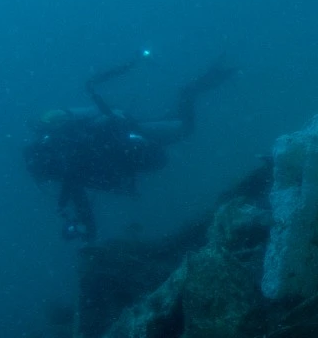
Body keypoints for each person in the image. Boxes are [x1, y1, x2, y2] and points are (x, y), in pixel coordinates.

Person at [24, 53, 235, 241]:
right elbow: (81, 203)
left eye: (45, 177)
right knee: (178, 125)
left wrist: (88, 230)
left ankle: (193, 88)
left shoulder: (70, 165)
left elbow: (81, 203)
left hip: (134, 139)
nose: (49, 180)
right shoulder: (69, 162)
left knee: (184, 128)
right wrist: (88, 230)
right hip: (133, 139)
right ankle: (197, 86)